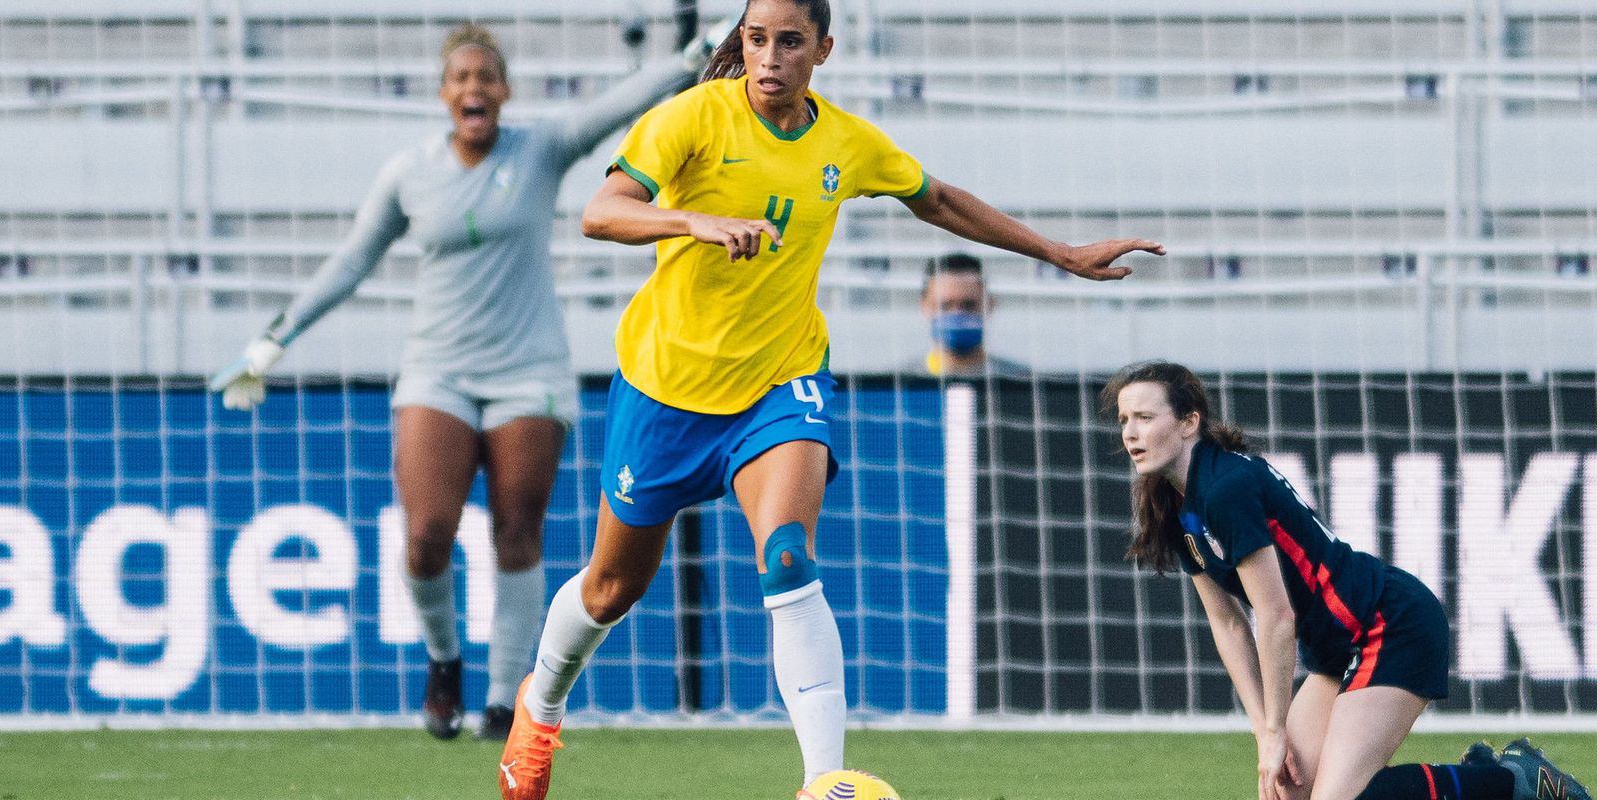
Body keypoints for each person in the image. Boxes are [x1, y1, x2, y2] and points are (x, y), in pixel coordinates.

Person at [493, 1, 1165, 797]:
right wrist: (694, 222)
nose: (770, 57)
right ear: (739, 44)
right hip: (665, 390)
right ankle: (538, 709)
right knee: (613, 587)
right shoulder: (692, 119)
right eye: (756, 40)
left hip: (780, 379)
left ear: (823, 50)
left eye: (788, 42)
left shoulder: (845, 142)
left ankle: (823, 782)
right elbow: (602, 213)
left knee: (787, 557)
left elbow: (938, 199)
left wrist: (1058, 251)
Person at [209, 23, 717, 741]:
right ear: (444, 93)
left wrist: (693, 57)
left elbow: (614, 106)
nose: (474, 89)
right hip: (437, 370)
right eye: (461, 78)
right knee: (426, 536)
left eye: (487, 77)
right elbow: (352, 260)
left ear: (504, 92)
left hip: (529, 370)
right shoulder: (409, 172)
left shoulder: (539, 150)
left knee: (518, 531)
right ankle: (444, 659)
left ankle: (508, 700)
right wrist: (273, 338)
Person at [1102, 360, 1593, 800]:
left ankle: (1511, 780)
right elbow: (1228, 624)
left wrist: (1277, 729)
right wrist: (1264, 731)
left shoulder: (1226, 487)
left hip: (1390, 623)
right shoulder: (1174, 506)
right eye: (1124, 420)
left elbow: (1276, 617)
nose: (1131, 432)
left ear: (1189, 423)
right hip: (1340, 649)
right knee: (1288, 792)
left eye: (1145, 417)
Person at [913, 252, 1031, 379]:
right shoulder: (901, 386)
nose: (957, 314)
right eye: (945, 306)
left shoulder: (1021, 381)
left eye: (968, 305)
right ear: (924, 305)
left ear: (990, 304)